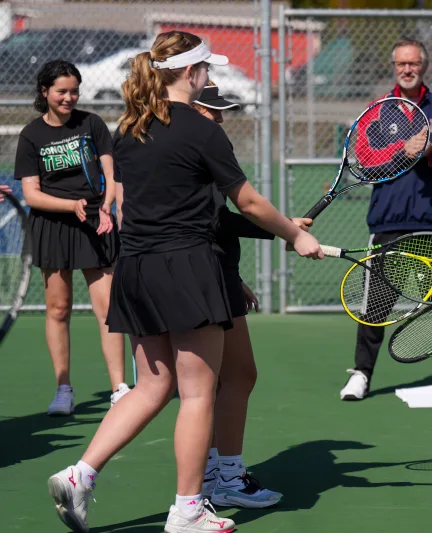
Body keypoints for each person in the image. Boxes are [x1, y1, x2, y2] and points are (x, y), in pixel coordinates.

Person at [46, 31, 322, 533]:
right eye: (207, 70)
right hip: (187, 267)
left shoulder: (130, 129)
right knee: (198, 394)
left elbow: (145, 205)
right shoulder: (201, 130)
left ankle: (79, 473)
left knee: (151, 387)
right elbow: (249, 202)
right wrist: (293, 236)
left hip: (137, 268)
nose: (210, 78)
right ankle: (188, 509)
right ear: (192, 72)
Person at [339, 37, 432, 401]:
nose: (407, 69)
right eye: (401, 64)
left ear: (424, 66)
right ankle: (361, 373)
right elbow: (366, 160)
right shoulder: (377, 110)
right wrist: (402, 151)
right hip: (388, 223)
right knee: (375, 306)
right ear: (394, 67)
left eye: (414, 64)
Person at [191, 83, 309, 508]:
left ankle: (210, 476)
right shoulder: (200, 141)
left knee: (210, 383)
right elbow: (236, 210)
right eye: (211, 110)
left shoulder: (160, 138)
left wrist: (281, 229)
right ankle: (223, 478)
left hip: (207, 270)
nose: (220, 119)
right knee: (230, 378)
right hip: (203, 273)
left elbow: (216, 219)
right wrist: (287, 232)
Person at [14, 59, 128, 416]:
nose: (68, 97)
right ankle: (63, 389)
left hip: (97, 222)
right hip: (53, 225)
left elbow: (111, 174)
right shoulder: (31, 135)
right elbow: (31, 195)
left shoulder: (92, 124)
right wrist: (69, 204)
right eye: (61, 91)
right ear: (44, 92)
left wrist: (107, 205)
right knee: (58, 308)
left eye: (74, 90)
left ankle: (119, 388)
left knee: (108, 308)